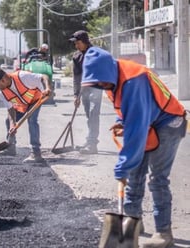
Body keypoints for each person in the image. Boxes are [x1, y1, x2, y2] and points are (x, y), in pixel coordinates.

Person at [81, 47, 187, 248]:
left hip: (169, 123)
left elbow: (137, 130)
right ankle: (132, 226)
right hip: (150, 123)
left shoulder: (132, 80)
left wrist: (122, 166)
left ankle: (164, 233)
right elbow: (127, 109)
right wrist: (121, 120)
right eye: (97, 82)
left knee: (157, 179)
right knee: (135, 176)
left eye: (101, 80)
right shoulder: (112, 79)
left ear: (107, 71)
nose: (101, 85)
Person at [0, 67, 52, 163]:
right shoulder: (2, 92)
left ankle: (36, 153)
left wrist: (47, 88)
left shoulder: (22, 77)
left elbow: (44, 76)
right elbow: (10, 109)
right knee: (8, 121)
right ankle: (11, 148)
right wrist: (13, 124)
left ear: (3, 79)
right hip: (22, 105)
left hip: (36, 99)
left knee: (32, 120)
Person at [69, 30, 102, 154]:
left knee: (94, 114)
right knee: (89, 115)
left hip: (96, 87)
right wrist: (76, 95)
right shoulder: (76, 56)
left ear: (85, 41)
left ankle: (92, 143)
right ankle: (90, 141)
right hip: (84, 90)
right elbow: (76, 77)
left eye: (78, 43)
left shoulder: (96, 53)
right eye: (75, 43)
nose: (76, 46)